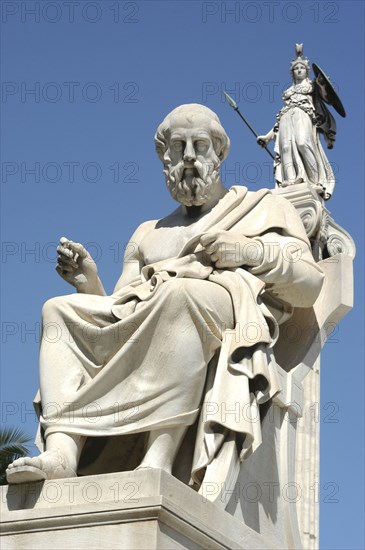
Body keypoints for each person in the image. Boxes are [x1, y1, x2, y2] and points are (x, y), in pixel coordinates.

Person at [6, 104, 324, 485]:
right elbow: (122, 310)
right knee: (57, 310)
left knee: (179, 295)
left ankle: (159, 457)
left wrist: (249, 252)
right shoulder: (147, 233)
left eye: (199, 144)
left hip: (216, 312)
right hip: (156, 308)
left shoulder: (262, 207)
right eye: (178, 146)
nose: (189, 156)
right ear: (165, 157)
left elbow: (309, 284)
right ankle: (62, 451)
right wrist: (88, 283)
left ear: (219, 152)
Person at [257, 44, 336, 200]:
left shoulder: (312, 85)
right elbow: (279, 120)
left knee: (302, 142)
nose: (299, 70)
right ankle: (291, 180)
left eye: (301, 68)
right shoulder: (288, 93)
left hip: (304, 114)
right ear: (292, 73)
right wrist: (267, 137)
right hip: (287, 116)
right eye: (296, 69)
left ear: (306, 71)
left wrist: (322, 85)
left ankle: (315, 181)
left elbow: (328, 98)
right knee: (285, 147)